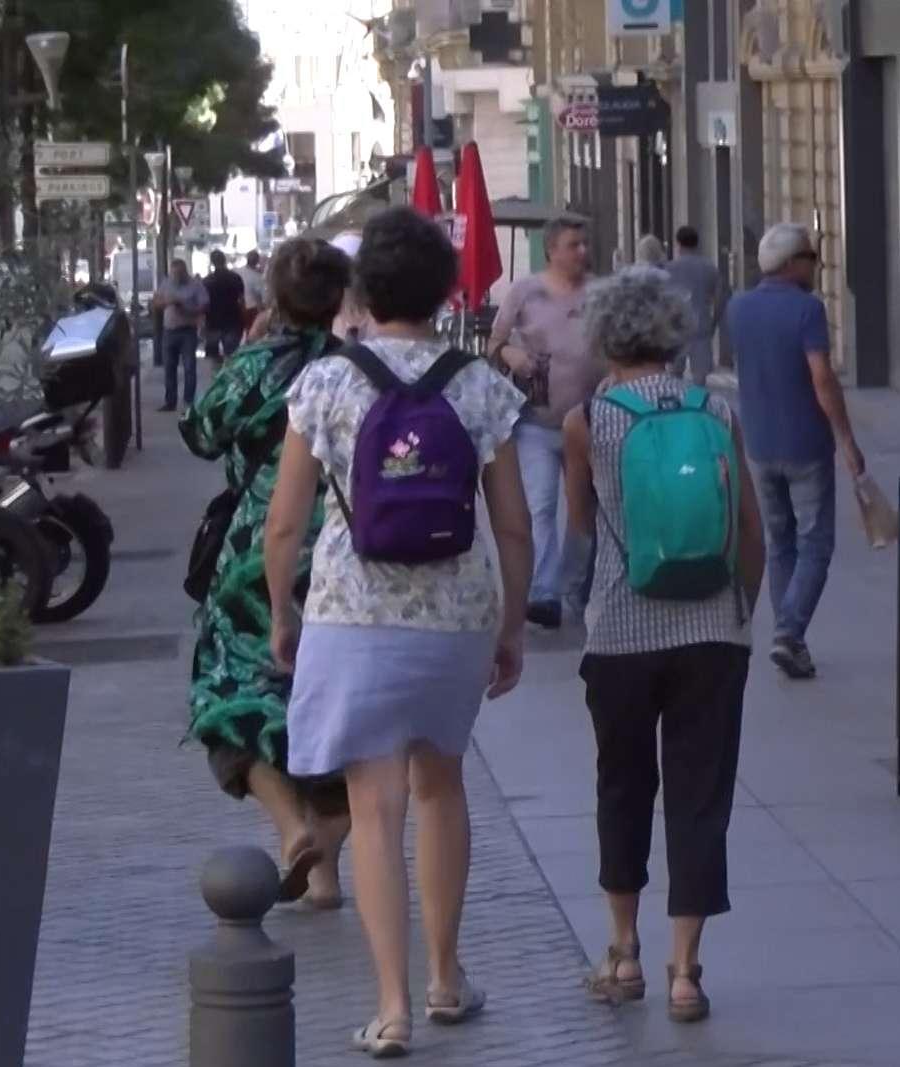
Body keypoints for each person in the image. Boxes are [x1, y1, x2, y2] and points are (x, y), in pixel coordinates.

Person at [265, 207, 534, 1057]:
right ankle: (446, 976)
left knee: (372, 809)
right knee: (440, 786)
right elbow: (516, 524)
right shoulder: (481, 382)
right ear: (446, 289)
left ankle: (390, 1008)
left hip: (351, 613)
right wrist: (513, 623)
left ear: (362, 291)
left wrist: (282, 610)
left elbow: (284, 522)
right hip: (455, 615)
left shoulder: (325, 382)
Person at [560, 267, 766, 1024]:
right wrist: (741, 609)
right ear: (672, 332)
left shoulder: (588, 419)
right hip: (712, 632)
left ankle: (623, 950)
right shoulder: (716, 408)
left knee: (622, 785)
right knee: (698, 793)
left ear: (605, 338)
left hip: (620, 630)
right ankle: (686, 969)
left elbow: (579, 527)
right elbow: (748, 526)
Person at [182, 237, 354, 910]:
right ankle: (325, 870)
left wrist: (251, 346)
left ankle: (292, 830)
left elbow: (199, 433)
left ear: (275, 297)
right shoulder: (352, 367)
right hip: (344, 553)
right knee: (330, 703)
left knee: (229, 696)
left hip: (258, 553)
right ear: (339, 299)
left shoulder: (255, 363)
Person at [725, 224, 865, 680]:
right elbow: (821, 377)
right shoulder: (808, 310)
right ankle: (789, 630)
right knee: (816, 542)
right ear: (790, 263)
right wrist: (846, 439)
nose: (817, 264)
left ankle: (791, 637)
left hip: (760, 443)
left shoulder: (739, 307)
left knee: (780, 541)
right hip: (805, 443)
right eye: (811, 256)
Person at [488, 216, 602, 630]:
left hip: (590, 419)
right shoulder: (525, 291)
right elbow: (495, 343)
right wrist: (510, 355)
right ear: (552, 249)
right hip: (537, 421)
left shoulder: (600, 294)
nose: (583, 252)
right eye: (574, 244)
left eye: (585, 244)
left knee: (586, 509)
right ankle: (544, 593)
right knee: (540, 506)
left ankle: (576, 586)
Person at [662, 226, 723, 386]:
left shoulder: (669, 269)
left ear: (678, 244)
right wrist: (713, 323)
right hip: (701, 327)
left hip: (676, 328)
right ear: (697, 244)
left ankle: (676, 408)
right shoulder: (710, 268)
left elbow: (662, 301)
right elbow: (719, 300)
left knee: (673, 376)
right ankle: (697, 408)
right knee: (699, 379)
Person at [153, 259, 208, 411]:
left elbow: (204, 305)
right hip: (169, 330)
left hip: (187, 330)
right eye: (174, 274)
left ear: (185, 272)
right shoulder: (166, 283)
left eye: (179, 274)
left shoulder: (195, 285)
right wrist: (166, 303)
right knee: (169, 367)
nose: (176, 277)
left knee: (189, 366)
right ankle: (170, 401)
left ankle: (188, 401)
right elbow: (156, 303)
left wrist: (186, 307)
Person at [203, 250, 247, 365]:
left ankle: (217, 377)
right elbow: (241, 300)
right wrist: (244, 318)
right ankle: (228, 377)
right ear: (224, 260)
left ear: (212, 262)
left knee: (214, 356)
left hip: (213, 321)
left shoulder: (207, 281)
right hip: (233, 319)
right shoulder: (235, 278)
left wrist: (202, 322)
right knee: (231, 355)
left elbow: (204, 304)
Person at [239, 249, 268, 336]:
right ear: (257, 261)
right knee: (250, 331)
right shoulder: (258, 277)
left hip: (238, 307)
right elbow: (264, 298)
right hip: (252, 309)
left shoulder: (237, 271)